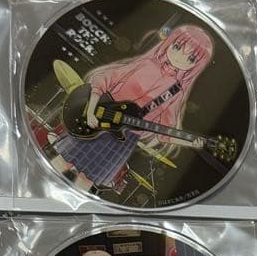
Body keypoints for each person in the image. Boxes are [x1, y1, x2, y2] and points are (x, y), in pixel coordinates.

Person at [49, 24, 214, 194]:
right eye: (177, 47)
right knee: (63, 162)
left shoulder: (176, 91)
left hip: (124, 140)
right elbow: (103, 80)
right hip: (99, 120)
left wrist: (189, 142)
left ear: (196, 66)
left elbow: (164, 131)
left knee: (86, 180)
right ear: (169, 42)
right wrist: (91, 110)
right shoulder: (146, 64)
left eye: (191, 59)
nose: (179, 57)